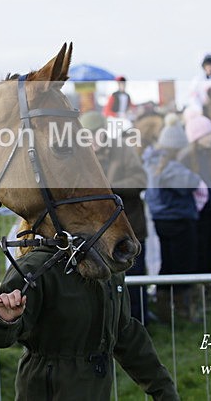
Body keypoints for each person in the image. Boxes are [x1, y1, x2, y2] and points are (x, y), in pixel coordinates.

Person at [0, 221, 179, 401]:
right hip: (47, 391)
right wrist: (3, 319)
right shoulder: (34, 267)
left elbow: (126, 334)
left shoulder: (107, 264)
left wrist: (165, 391)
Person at [80, 110, 154, 324]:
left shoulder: (123, 150)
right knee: (103, 284)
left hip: (130, 229)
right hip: (96, 236)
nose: (93, 139)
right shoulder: (82, 157)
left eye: (96, 133)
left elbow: (140, 180)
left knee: (134, 282)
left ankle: (139, 324)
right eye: (87, 135)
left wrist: (109, 190)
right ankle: (111, 327)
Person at [143, 119, 203, 323]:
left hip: (161, 219)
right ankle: (183, 311)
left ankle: (164, 309)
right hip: (179, 219)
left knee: (167, 263)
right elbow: (192, 183)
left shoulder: (150, 160)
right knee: (183, 264)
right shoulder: (172, 167)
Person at [179, 115, 211, 305]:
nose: (210, 137)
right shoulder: (186, 158)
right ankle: (197, 298)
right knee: (198, 255)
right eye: (206, 134)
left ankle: (210, 295)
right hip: (197, 216)